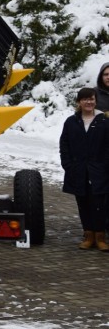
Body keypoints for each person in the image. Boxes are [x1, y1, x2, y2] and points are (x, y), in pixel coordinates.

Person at [59, 87, 109, 250]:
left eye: (92, 99)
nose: (89, 102)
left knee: (99, 204)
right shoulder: (71, 122)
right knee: (83, 203)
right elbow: (64, 145)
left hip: (99, 171)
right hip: (78, 170)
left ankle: (100, 237)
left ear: (95, 101)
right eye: (85, 99)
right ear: (79, 102)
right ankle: (88, 235)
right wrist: (68, 165)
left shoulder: (104, 121)